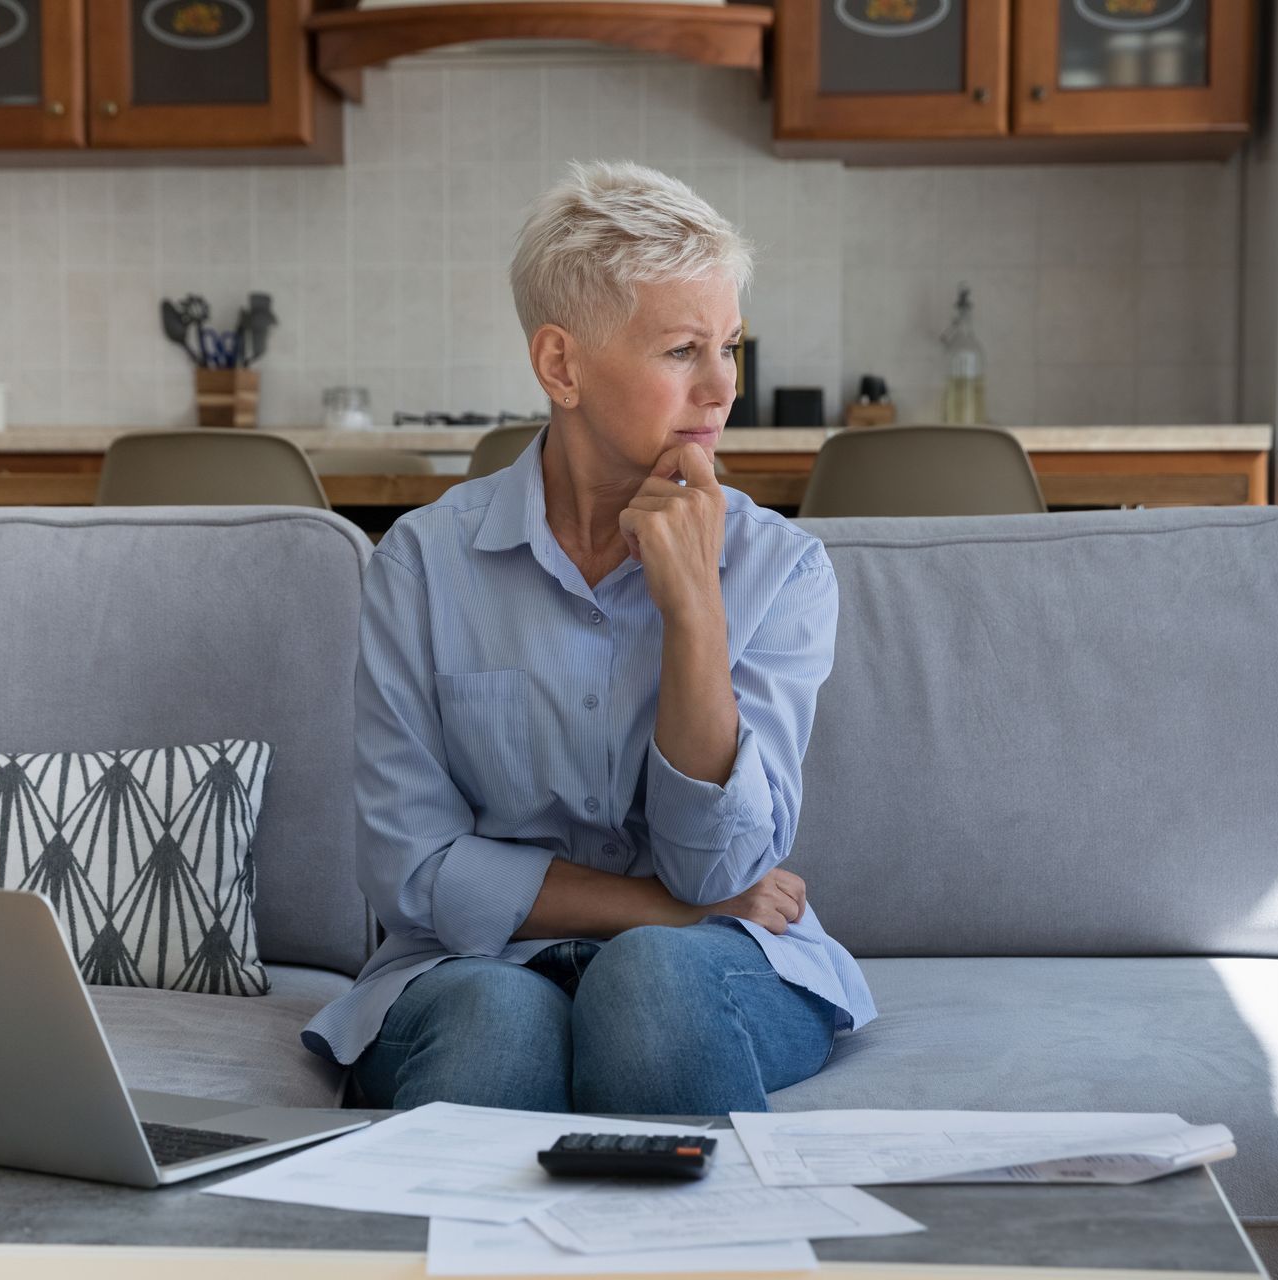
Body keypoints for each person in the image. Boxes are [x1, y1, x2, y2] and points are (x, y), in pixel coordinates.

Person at [300, 159, 876, 1113]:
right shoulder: (424, 563)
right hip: (470, 969)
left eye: (731, 345)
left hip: (709, 964)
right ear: (560, 365)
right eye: (683, 350)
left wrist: (694, 607)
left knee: (647, 984)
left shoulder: (784, 571)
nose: (723, 387)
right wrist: (664, 905)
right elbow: (414, 870)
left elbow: (724, 869)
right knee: (498, 1015)